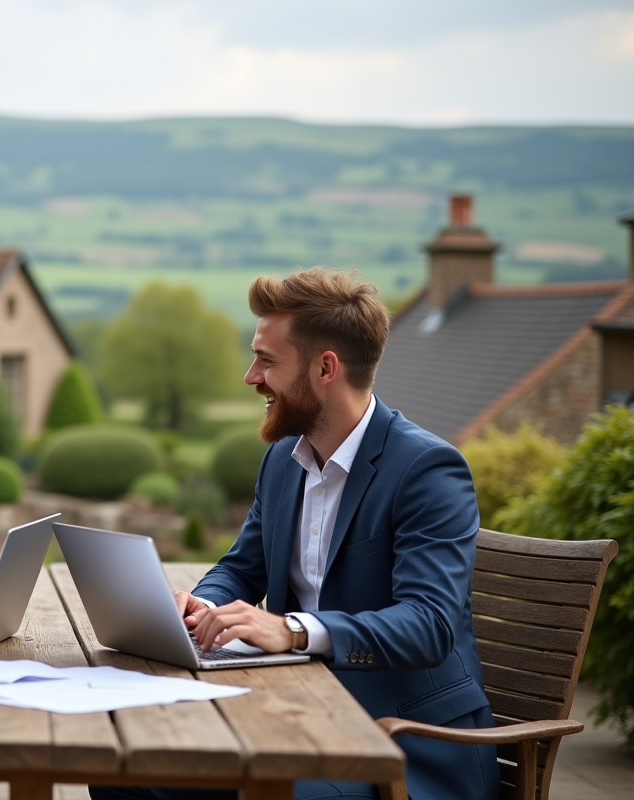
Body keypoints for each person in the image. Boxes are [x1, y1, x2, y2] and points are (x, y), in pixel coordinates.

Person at [97, 268, 500, 800]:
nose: (250, 376)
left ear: (325, 367)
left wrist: (292, 630)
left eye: (266, 360)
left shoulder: (426, 469)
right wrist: (201, 605)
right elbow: (243, 567)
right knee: (129, 770)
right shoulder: (283, 462)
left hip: (407, 742)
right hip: (301, 713)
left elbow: (428, 625)